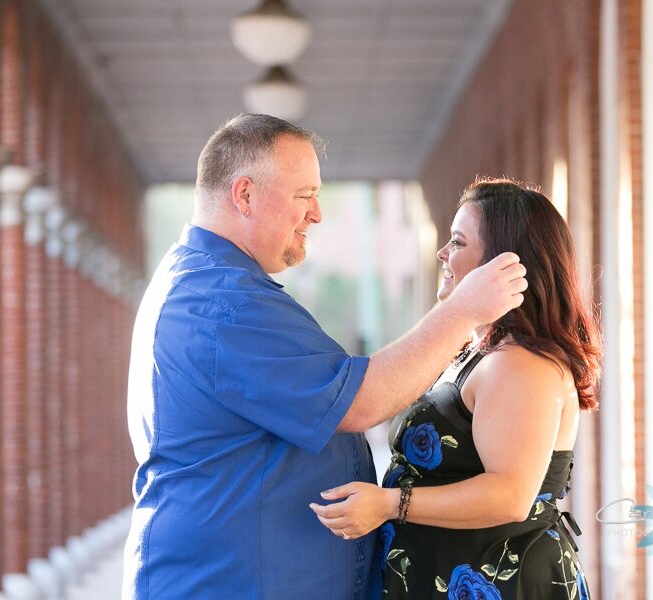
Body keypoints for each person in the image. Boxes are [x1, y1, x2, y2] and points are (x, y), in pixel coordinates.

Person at [122, 115, 528, 599]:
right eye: (303, 195)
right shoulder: (222, 303)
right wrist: (462, 312)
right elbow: (360, 401)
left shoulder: (216, 285)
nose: (316, 213)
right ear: (245, 194)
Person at [309, 177, 602, 600]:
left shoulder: (520, 365)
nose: (443, 253)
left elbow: (510, 495)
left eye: (458, 242)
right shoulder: (481, 351)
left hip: (507, 582)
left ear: (505, 263)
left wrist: (389, 504)